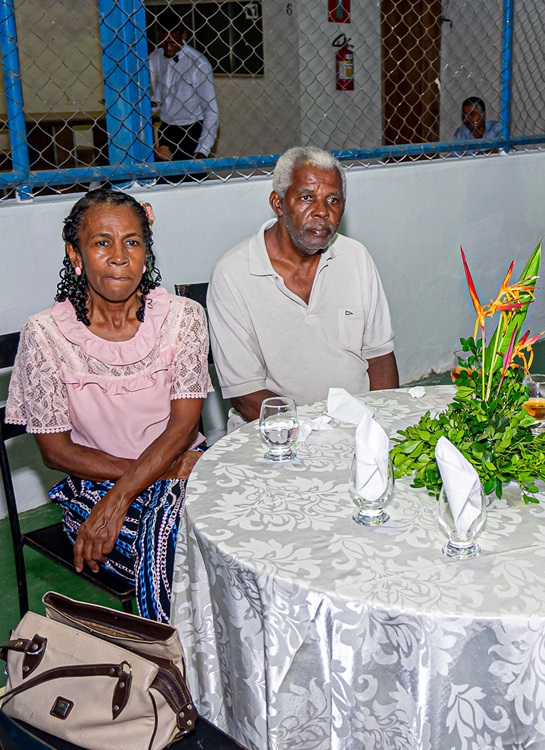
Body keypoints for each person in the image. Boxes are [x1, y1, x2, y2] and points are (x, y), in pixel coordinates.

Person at [4, 189, 211, 623]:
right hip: (97, 485)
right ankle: (178, 656)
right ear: (75, 254)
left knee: (190, 537)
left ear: (145, 252)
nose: (119, 257)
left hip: (184, 474)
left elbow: (183, 427)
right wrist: (150, 476)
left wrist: (122, 498)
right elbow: (56, 452)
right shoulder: (45, 334)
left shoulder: (183, 317)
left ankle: (171, 654)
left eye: (132, 242)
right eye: (102, 242)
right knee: (182, 547)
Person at [208, 146, 398, 429]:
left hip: (357, 426)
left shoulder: (355, 257)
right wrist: (318, 433)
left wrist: (380, 426)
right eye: (307, 197)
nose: (322, 211)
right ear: (278, 203)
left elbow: (380, 358)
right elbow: (246, 395)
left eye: (333, 200)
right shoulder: (233, 275)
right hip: (273, 434)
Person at [148, 12, 219, 161]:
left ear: (184, 35)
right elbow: (158, 100)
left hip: (192, 132)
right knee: (164, 175)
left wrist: (202, 150)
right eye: (164, 42)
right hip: (166, 130)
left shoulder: (199, 64)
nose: (168, 48)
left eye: (173, 42)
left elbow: (211, 111)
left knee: (191, 174)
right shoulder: (154, 58)